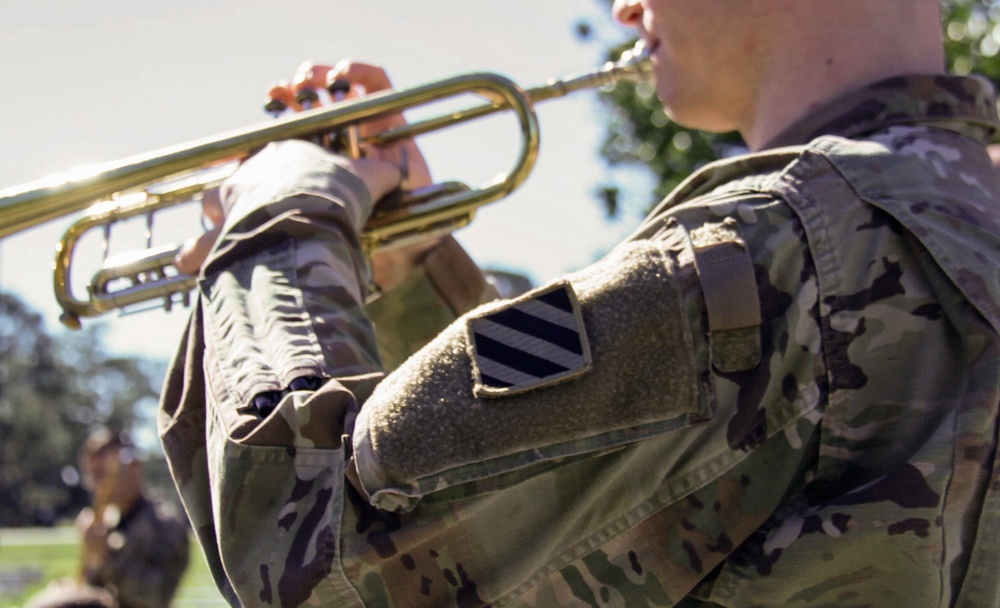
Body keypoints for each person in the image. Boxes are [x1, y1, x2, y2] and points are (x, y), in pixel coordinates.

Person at [158, 1, 1000, 606]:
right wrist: (413, 278)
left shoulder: (767, 253)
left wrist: (278, 220)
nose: (628, 10)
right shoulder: (957, 215)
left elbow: (318, 562)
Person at [75, 429, 190, 608]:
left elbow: (157, 595)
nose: (96, 486)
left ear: (133, 468)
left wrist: (106, 555)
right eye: (91, 476)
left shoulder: (163, 523)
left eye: (103, 475)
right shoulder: (108, 522)